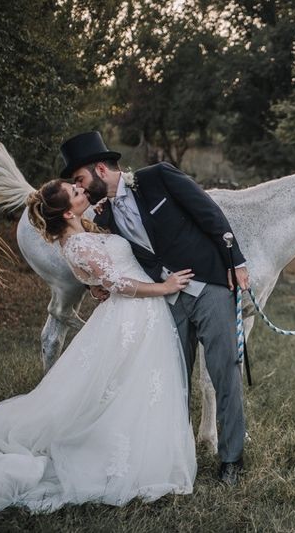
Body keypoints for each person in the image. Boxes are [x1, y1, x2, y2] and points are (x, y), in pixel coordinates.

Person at [0, 179, 198, 524]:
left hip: (136, 317)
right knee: (126, 389)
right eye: (76, 193)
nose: (82, 191)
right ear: (66, 211)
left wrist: (100, 275)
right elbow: (116, 283)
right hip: (133, 315)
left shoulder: (83, 231)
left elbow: (100, 277)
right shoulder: (75, 243)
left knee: (133, 388)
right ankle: (129, 459)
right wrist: (163, 287)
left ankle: (144, 451)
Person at [60, 131, 248, 485]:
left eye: (80, 178)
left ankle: (232, 459)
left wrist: (235, 260)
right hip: (165, 302)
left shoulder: (158, 177)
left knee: (224, 371)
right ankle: (178, 454)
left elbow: (209, 213)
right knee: (174, 379)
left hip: (209, 285)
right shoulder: (103, 219)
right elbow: (102, 262)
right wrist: (96, 286)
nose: (80, 187)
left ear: (101, 168)